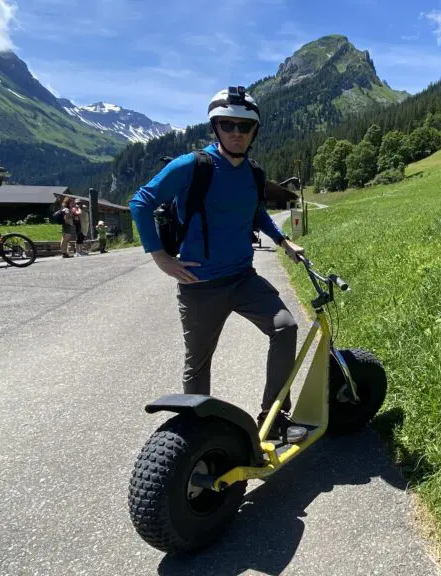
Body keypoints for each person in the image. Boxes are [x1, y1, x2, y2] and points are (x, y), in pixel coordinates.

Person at [129, 86, 308, 444]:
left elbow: (257, 212)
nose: (236, 133)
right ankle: (199, 439)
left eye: (244, 127)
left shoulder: (254, 173)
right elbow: (140, 202)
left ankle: (273, 418)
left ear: (254, 131)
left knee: (285, 328)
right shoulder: (192, 166)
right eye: (228, 125)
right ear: (215, 128)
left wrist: (283, 241)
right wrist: (161, 257)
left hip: (243, 277)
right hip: (200, 284)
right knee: (198, 363)